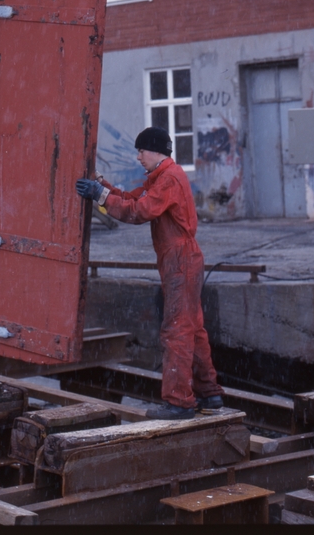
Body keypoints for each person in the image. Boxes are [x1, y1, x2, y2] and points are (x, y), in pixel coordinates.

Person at [76, 126, 224, 419]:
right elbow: (131, 199)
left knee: (177, 330)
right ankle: (210, 394)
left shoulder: (168, 178)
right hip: (181, 259)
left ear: (157, 151)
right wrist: (102, 187)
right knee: (192, 328)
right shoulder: (161, 177)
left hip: (180, 260)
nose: (138, 156)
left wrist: (101, 197)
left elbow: (139, 211)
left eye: (142, 150)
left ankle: (180, 402)